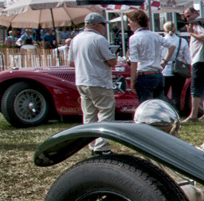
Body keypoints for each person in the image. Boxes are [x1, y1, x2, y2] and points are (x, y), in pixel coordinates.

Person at [68, 12, 117, 155]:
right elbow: (112, 61)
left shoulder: (75, 39)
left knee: (89, 115)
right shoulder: (99, 39)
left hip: (81, 80)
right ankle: (102, 147)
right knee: (106, 112)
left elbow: (71, 63)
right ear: (95, 24)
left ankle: (91, 144)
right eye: (102, 25)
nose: (104, 28)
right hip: (98, 81)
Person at [126, 9, 165, 103]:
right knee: (158, 106)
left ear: (136, 21)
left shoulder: (134, 38)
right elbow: (171, 45)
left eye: (129, 22)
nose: (128, 24)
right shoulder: (155, 35)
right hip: (158, 74)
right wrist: (165, 61)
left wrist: (132, 80)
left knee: (146, 107)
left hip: (144, 75)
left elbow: (134, 61)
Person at [183, 6, 204, 122]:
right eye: (186, 17)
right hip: (203, 60)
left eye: (188, 16)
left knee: (196, 87)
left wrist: (191, 33)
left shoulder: (199, 23)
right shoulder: (201, 22)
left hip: (200, 59)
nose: (187, 19)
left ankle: (193, 115)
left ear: (195, 13)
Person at [160, 20, 184, 110]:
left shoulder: (162, 41)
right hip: (178, 70)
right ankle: (176, 112)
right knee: (176, 94)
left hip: (164, 69)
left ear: (164, 29)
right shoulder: (182, 41)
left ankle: (164, 110)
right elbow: (188, 58)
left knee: (162, 94)